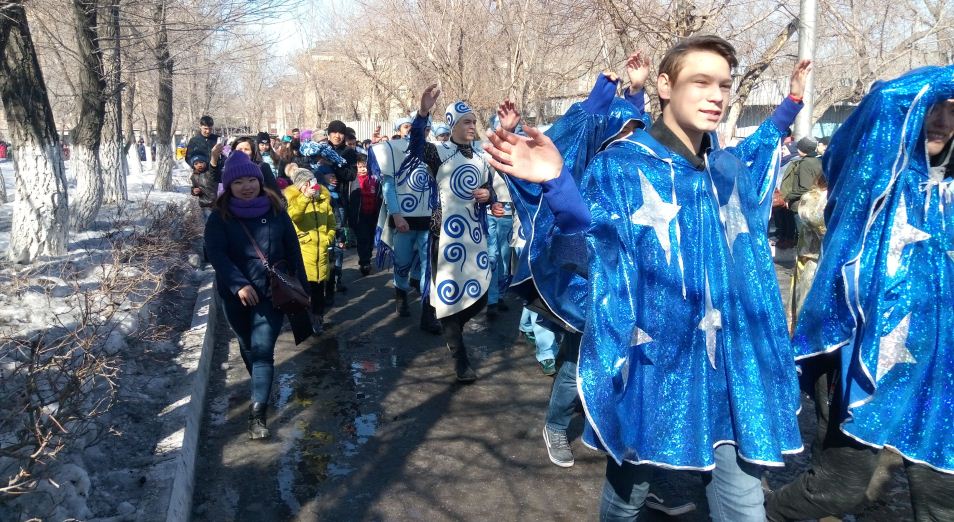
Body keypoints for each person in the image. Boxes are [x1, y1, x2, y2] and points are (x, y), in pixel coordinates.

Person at [484, 36, 811, 519]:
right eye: (700, 81)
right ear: (665, 85)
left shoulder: (725, 167)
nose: (716, 95)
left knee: (743, 503)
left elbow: (761, 150)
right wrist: (558, 183)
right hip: (650, 363)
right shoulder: (622, 164)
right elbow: (589, 239)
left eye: (723, 84)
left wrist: (791, 104)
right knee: (628, 492)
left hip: (728, 370)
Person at [767, 66, 954, 522]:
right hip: (862, 361)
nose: (941, 119)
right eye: (932, 106)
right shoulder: (872, 183)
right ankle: (748, 513)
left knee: (941, 500)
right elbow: (884, 101)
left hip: (941, 379)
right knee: (843, 492)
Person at [204, 152, 310, 440]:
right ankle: (260, 388)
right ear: (229, 185)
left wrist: (303, 289)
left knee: (263, 351)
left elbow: (293, 251)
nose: (247, 186)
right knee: (247, 345)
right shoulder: (220, 217)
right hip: (235, 295)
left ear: (261, 181)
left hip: (270, 293)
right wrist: (238, 284)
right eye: (239, 181)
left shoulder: (276, 211)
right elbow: (216, 254)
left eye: (252, 179)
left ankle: (257, 414)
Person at [411, 88, 499, 382]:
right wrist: (423, 114)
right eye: (466, 121)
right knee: (447, 298)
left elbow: (490, 191)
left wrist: (489, 197)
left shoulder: (481, 158)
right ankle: (460, 359)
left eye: (473, 121)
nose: (472, 126)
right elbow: (414, 147)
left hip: (474, 237)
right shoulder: (439, 153)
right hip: (445, 236)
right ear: (452, 125)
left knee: (482, 295)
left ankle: (453, 329)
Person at [370, 115, 439, 332]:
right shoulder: (393, 151)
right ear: (400, 129)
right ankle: (400, 293)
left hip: (429, 220)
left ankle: (428, 313)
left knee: (429, 266)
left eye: (425, 128)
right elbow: (389, 186)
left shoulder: (434, 151)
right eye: (407, 127)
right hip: (404, 221)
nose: (416, 131)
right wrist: (397, 215)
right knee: (402, 261)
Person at [285, 167, 336, 334]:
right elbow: (294, 216)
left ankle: (318, 318)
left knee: (319, 288)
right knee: (304, 290)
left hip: (321, 253)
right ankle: (305, 319)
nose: (310, 186)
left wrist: (328, 237)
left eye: (311, 182)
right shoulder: (294, 201)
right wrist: (305, 198)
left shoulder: (324, 200)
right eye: (305, 184)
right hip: (304, 253)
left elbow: (332, 223)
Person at [348, 154, 382, 275]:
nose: (363, 169)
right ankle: (364, 262)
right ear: (356, 166)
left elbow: (379, 196)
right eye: (360, 167)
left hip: (373, 214)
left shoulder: (374, 179)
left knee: (370, 238)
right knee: (363, 239)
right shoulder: (352, 180)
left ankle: (367, 256)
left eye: (365, 167)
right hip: (360, 215)